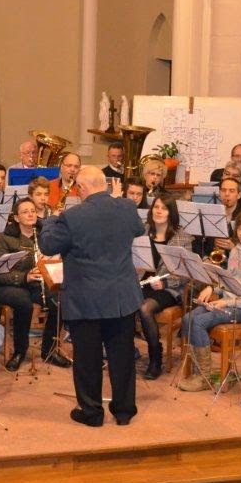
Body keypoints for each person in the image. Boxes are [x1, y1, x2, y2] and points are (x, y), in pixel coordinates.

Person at [39, 166, 145, 427]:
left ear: (82, 188)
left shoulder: (72, 217)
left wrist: (51, 219)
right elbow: (139, 230)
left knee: (88, 358)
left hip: (86, 298)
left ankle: (92, 412)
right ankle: (123, 411)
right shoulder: (127, 208)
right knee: (122, 356)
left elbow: (48, 246)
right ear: (105, 185)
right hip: (121, 296)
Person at [179, 210, 241, 391]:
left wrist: (226, 303)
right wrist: (211, 288)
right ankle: (199, 372)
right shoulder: (237, 250)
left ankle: (204, 378)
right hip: (230, 303)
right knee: (187, 319)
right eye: (239, 228)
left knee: (198, 322)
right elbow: (227, 281)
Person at [0, 198, 69, 371]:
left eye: (33, 210)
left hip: (37, 283)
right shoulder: (5, 238)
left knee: (60, 300)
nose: (31, 214)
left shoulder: (44, 234)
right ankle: (19, 351)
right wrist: (25, 277)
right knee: (23, 303)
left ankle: (49, 349)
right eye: (25, 211)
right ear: (16, 218)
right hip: (10, 285)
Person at [137, 196, 192, 380]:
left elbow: (185, 272)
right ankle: (125, 353)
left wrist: (165, 283)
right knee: (122, 301)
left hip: (167, 289)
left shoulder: (181, 236)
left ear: (171, 213)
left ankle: (155, 358)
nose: (159, 211)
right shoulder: (143, 231)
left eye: (164, 208)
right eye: (156, 207)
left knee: (145, 308)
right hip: (142, 284)